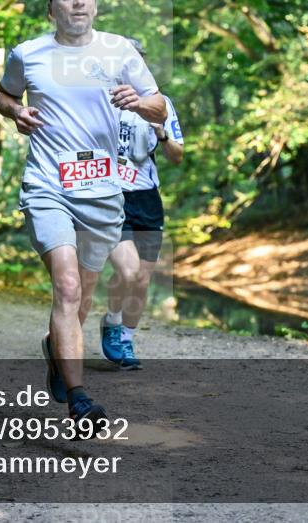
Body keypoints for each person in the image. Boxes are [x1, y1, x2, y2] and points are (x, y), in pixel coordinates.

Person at [0, 0, 167, 427]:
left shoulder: (121, 51)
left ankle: (57, 347)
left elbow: (160, 106)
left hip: (103, 191)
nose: (77, 2)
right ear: (52, 8)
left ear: (94, 4)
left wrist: (139, 102)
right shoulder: (27, 54)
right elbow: (4, 95)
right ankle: (79, 398)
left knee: (82, 295)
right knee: (67, 286)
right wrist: (16, 111)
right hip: (49, 185)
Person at [102, 38, 184, 370]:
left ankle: (127, 340)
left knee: (142, 279)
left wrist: (161, 133)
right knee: (127, 269)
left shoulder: (161, 104)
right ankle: (111, 322)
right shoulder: (101, 99)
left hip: (147, 197)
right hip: (109, 194)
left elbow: (177, 156)